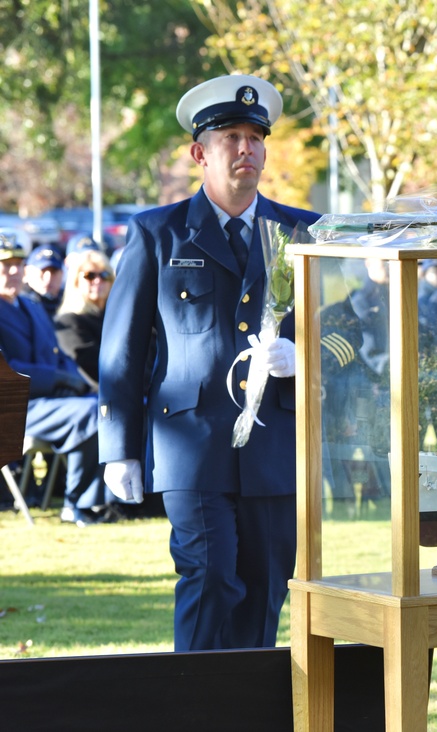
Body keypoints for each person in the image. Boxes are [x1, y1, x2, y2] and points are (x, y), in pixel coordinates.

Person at [98, 74, 320, 651]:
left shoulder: (303, 232)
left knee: (266, 589)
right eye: (230, 137)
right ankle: (187, 707)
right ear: (200, 152)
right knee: (211, 578)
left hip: (274, 443)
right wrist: (117, 446)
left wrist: (307, 358)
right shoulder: (158, 233)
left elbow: (342, 331)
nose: (246, 148)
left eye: (255, 137)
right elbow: (122, 350)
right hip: (191, 445)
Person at [0, 235, 109, 526]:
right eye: (5, 265)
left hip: (47, 403)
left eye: (17, 264)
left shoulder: (31, 307)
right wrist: (57, 379)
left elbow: (56, 356)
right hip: (14, 409)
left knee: (103, 406)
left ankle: (97, 501)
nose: (13, 272)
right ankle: (77, 503)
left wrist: (73, 379)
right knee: (89, 413)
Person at [54, 249, 115, 390]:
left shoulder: (116, 318)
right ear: (76, 281)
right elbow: (94, 369)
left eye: (105, 275)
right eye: (90, 275)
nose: (98, 281)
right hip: (97, 396)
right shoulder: (68, 322)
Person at [21, 245, 65, 321]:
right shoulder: (19, 305)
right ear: (26, 273)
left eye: (54, 272)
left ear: (62, 275)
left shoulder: (71, 304)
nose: (48, 278)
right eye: (42, 271)